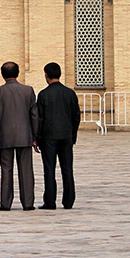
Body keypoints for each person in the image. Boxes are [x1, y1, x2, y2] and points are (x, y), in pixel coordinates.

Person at [0, 61, 38, 211]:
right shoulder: (28, 91)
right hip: (25, 136)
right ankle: (28, 203)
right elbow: (34, 116)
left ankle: (5, 203)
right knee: (26, 170)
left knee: (6, 169)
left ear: (2, 75)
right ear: (17, 73)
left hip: (5, 136)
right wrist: (35, 136)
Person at [34, 62, 80, 210]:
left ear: (46, 76)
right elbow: (76, 116)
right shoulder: (70, 93)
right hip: (66, 136)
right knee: (67, 168)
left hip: (48, 137)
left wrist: (37, 137)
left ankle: (50, 201)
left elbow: (39, 118)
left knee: (49, 169)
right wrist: (72, 135)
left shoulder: (43, 95)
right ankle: (68, 200)